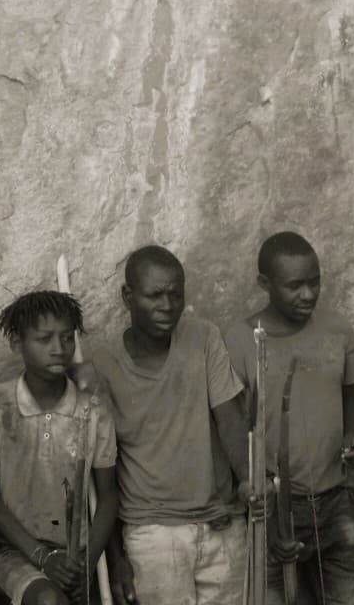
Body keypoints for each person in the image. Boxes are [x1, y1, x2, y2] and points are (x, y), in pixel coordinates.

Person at [93, 245, 251, 605]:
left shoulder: (203, 337)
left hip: (221, 524)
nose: (167, 305)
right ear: (127, 297)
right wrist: (116, 558)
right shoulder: (103, 365)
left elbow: (229, 418)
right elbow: (103, 471)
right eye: (155, 295)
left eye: (175, 294)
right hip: (154, 535)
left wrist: (247, 479)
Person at [224, 231, 354, 605]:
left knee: (347, 597)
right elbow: (235, 425)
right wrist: (257, 493)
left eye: (315, 282)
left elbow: (349, 394)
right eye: (295, 285)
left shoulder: (337, 330)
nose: (308, 294)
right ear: (264, 284)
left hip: (336, 498)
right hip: (275, 507)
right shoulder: (241, 340)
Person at [0, 291, 119, 605]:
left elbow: (108, 496)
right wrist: (43, 557)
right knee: (48, 600)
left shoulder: (93, 409)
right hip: (16, 552)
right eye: (44, 339)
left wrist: (85, 563)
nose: (58, 349)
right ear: (16, 343)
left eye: (67, 338)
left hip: (76, 555)